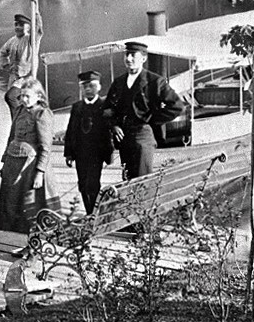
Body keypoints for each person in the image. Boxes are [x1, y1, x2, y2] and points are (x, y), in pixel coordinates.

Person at [103, 40, 183, 180]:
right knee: (128, 180)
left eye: (133, 55)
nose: (128, 59)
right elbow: (107, 109)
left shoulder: (155, 81)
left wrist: (151, 120)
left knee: (142, 180)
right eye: (127, 54)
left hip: (143, 136)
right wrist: (114, 125)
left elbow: (176, 106)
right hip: (123, 138)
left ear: (144, 58)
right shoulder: (119, 82)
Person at [0, 77, 53, 232]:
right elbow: (12, 135)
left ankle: (33, 246)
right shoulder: (20, 110)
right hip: (14, 163)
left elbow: (45, 147)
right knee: (13, 203)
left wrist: (40, 172)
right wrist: (4, 160)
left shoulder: (41, 114)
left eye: (28, 96)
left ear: (39, 96)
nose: (24, 99)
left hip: (30, 167)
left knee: (31, 205)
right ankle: (25, 244)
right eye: (22, 96)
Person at [64, 70, 113, 214]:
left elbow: (108, 131)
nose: (88, 89)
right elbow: (71, 131)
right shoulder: (77, 107)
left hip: (96, 154)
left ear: (99, 87)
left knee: (92, 184)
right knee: (82, 185)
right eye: (84, 86)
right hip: (80, 154)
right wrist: (68, 154)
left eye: (91, 86)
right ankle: (89, 212)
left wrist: (109, 153)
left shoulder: (104, 105)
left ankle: (94, 213)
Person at [0, 13, 38, 118]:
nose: (18, 27)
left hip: (26, 78)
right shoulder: (12, 40)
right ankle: (16, 128)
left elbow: (38, 30)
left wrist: (36, 10)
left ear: (29, 27)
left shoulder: (31, 40)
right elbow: (2, 52)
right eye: (16, 24)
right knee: (16, 103)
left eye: (21, 25)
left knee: (10, 97)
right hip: (13, 78)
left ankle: (21, 120)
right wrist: (6, 65)